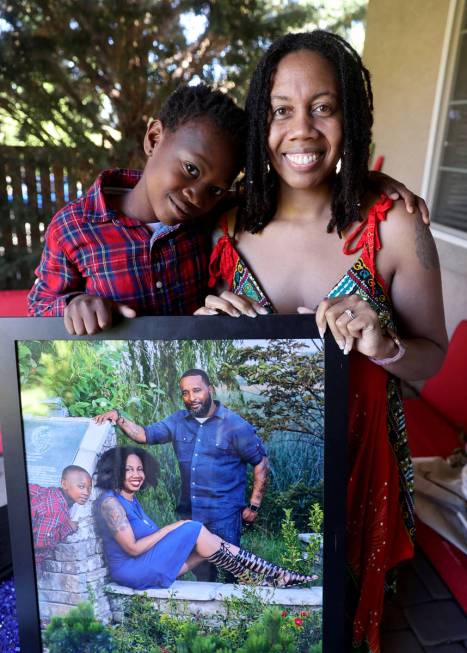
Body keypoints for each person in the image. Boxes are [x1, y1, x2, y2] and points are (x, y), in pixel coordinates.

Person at [195, 31, 448, 653]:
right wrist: (209, 324)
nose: (301, 129)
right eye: (282, 109)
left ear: (350, 117)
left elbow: (433, 355)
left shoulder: (395, 228)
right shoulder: (218, 225)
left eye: (323, 107)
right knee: (247, 622)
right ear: (262, 122)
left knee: (340, 630)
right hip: (249, 468)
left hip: (362, 466)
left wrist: (383, 345)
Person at [27, 84, 246, 335]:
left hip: (189, 370)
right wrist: (72, 304)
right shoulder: (72, 227)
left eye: (215, 190)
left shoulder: (210, 218)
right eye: (191, 169)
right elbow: (38, 306)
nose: (196, 197)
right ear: (154, 139)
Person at [94, 368, 268, 580]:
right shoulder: (178, 421)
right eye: (185, 393)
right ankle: (204, 612)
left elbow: (260, 463)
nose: (191, 398)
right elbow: (144, 434)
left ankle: (241, 606)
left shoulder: (235, 426)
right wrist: (119, 418)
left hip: (224, 515)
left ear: (210, 389)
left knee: (232, 571)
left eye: (197, 390)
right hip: (190, 513)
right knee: (202, 575)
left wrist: (254, 505)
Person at [93, 446, 314, 590]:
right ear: (116, 471)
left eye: (139, 469)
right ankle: (272, 575)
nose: (136, 475)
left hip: (145, 564)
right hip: (132, 571)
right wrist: (174, 527)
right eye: (129, 469)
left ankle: (266, 579)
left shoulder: (131, 500)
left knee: (208, 545)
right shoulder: (110, 503)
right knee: (193, 528)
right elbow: (132, 548)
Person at [29, 465, 92, 566]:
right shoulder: (57, 510)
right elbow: (41, 542)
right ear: (64, 484)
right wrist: (68, 527)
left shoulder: (52, 492)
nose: (86, 493)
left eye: (89, 488)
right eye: (81, 486)